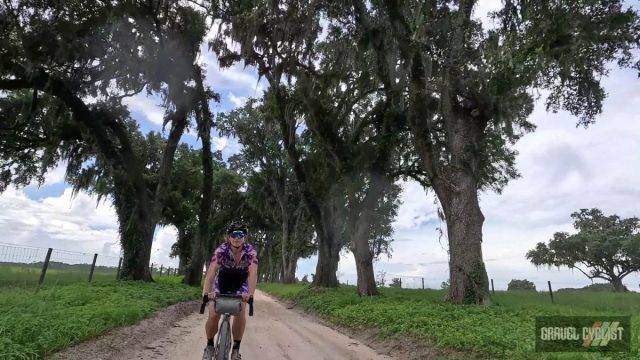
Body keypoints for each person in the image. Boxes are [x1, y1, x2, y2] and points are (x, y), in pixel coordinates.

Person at [202, 222, 258, 360]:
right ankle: (209, 346)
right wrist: (205, 293)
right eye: (234, 234)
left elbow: (252, 274)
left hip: (241, 282)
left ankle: (235, 350)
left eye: (240, 234)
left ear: (244, 237)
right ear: (229, 237)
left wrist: (250, 295)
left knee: (240, 311)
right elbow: (211, 272)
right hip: (222, 281)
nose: (237, 238)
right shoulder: (221, 250)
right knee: (214, 314)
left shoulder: (251, 252)